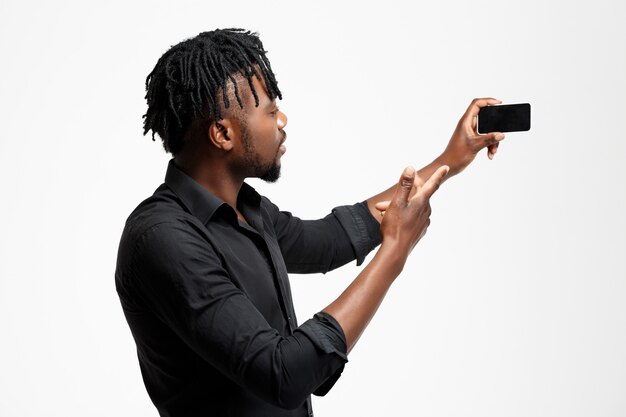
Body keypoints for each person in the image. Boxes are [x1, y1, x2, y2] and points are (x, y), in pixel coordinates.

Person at [115, 28, 505, 417]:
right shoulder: (162, 239)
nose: (282, 119)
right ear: (222, 133)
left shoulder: (247, 209)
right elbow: (283, 374)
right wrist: (394, 252)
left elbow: (329, 240)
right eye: (269, 110)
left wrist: (451, 158)